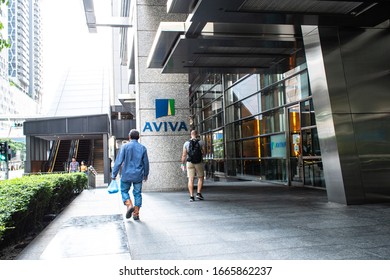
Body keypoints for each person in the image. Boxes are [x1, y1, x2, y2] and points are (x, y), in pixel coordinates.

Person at [111, 129, 149, 220]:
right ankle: (136, 213)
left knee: (124, 191)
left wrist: (114, 174)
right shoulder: (143, 148)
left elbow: (118, 161)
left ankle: (129, 204)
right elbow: (146, 163)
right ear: (138, 137)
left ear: (129, 137)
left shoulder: (124, 147)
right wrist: (146, 174)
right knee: (137, 193)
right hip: (138, 175)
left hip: (126, 175)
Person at [181, 130, 205, 202]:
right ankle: (198, 193)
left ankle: (191, 196)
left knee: (190, 179)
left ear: (190, 135)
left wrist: (182, 163)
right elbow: (204, 152)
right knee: (200, 177)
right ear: (197, 134)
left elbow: (184, 155)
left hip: (189, 162)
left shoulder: (186, 143)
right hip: (198, 162)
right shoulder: (201, 142)